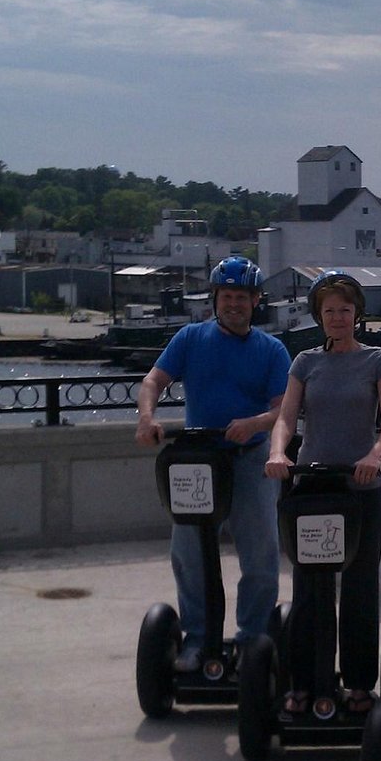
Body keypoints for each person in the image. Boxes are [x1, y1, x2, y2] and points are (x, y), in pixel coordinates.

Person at [135, 255, 291, 673]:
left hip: (249, 459)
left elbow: (285, 412)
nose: (234, 304)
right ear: (215, 299)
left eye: (242, 297)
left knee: (260, 554)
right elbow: (153, 381)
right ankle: (198, 639)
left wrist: (254, 423)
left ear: (256, 300)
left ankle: (252, 642)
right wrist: (147, 418)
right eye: (227, 297)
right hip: (199, 462)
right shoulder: (190, 338)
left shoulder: (272, 351)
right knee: (187, 552)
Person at [264, 270, 381, 715]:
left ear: (357, 313)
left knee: (359, 590)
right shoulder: (304, 362)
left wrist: (375, 457)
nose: (337, 318)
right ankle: (304, 683)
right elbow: (286, 417)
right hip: (313, 486)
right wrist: (280, 454)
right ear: (319, 316)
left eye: (344, 310)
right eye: (329, 311)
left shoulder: (377, 360)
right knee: (309, 590)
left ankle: (359, 684)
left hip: (359, 488)